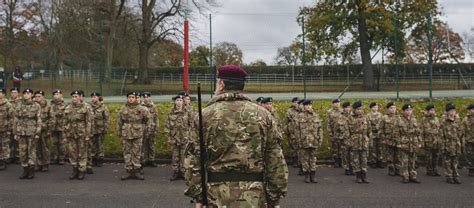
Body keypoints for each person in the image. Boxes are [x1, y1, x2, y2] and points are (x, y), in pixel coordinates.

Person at [184, 65, 288, 208]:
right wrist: (274, 197)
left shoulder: (205, 115)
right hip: (254, 195)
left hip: (217, 195)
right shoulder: (263, 115)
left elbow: (193, 158)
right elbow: (274, 157)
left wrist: (198, 196)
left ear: (221, 84)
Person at [117, 91, 150, 180]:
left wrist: (146, 132)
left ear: (136, 98)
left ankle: (136, 171)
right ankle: (129, 170)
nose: (130, 99)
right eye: (129, 97)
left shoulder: (142, 109)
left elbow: (148, 121)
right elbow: (119, 122)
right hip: (126, 133)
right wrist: (119, 133)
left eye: (132, 97)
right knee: (127, 152)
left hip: (138, 133)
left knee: (136, 152)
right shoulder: (123, 108)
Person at [13, 88, 41, 179]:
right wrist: (15, 132)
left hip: (31, 132)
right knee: (22, 152)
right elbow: (16, 119)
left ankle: (31, 170)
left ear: (32, 95)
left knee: (31, 151)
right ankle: (25, 169)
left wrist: (37, 132)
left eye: (28, 93)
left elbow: (39, 120)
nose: (26, 95)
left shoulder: (36, 105)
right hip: (21, 132)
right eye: (24, 93)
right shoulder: (19, 105)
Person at [64, 90, 92, 180]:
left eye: (76, 96)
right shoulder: (68, 107)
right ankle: (74, 169)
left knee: (82, 153)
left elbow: (89, 122)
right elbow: (65, 121)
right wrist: (65, 133)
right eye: (73, 97)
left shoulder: (86, 107)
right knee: (72, 152)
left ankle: (81, 170)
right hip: (71, 133)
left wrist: (88, 134)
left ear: (80, 97)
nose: (74, 98)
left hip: (82, 133)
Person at [165, 94, 189, 181]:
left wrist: (190, 137)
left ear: (183, 102)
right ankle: (175, 171)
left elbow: (192, 125)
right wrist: (168, 137)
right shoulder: (170, 112)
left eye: (181, 100)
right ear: (175, 102)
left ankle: (183, 172)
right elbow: (167, 126)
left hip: (184, 137)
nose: (179, 102)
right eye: (177, 100)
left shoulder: (187, 112)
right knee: (175, 156)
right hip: (174, 138)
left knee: (183, 156)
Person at [299, 99, 323, 183]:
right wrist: (299, 141)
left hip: (314, 141)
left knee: (313, 158)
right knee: (305, 159)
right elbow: (297, 130)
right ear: (304, 106)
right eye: (307, 105)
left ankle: (313, 175)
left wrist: (320, 139)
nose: (309, 106)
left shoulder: (316, 116)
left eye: (310, 105)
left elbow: (320, 129)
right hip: (304, 141)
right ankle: (306, 175)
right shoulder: (300, 116)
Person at [397, 104, 422, 184]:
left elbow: (419, 132)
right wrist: (398, 143)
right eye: (407, 110)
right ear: (403, 111)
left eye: (410, 110)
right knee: (404, 161)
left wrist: (420, 142)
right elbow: (396, 133)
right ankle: (405, 176)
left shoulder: (414, 120)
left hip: (413, 142)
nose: (409, 112)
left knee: (413, 161)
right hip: (404, 142)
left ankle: (413, 176)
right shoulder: (399, 120)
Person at [348, 101, 371, 183]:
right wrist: (349, 141)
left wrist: (369, 140)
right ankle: (358, 176)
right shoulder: (350, 118)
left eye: (360, 109)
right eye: (357, 109)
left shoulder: (365, 117)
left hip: (364, 141)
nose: (359, 110)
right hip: (355, 141)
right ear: (354, 110)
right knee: (356, 160)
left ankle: (364, 176)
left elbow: (369, 130)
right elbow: (347, 131)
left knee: (364, 160)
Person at [440, 103, 463, 184]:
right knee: (448, 162)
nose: (452, 112)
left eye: (453, 110)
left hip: (456, 144)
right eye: (450, 111)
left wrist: (460, 143)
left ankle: (455, 176)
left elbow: (461, 132)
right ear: (447, 112)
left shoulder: (458, 120)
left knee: (455, 162)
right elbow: (441, 135)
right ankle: (449, 176)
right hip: (448, 144)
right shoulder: (444, 122)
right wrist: (443, 146)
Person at [89, 92, 109, 168]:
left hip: (100, 128)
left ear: (98, 97)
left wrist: (105, 128)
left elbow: (106, 118)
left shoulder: (103, 107)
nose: (93, 98)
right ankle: (93, 158)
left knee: (100, 144)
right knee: (92, 144)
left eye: (95, 97)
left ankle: (100, 159)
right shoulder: (89, 107)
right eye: (92, 97)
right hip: (92, 128)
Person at [381, 102, 401, 176]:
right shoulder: (384, 117)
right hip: (388, 139)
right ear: (388, 109)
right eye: (391, 108)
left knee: (398, 155)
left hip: (398, 140)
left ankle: (398, 169)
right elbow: (381, 129)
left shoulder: (399, 117)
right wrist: (383, 138)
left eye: (394, 108)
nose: (393, 109)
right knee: (390, 155)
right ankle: (391, 168)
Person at [421, 104, 441, 176]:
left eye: (433, 110)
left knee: (436, 156)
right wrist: (422, 142)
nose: (433, 111)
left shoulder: (436, 119)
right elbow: (422, 131)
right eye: (431, 110)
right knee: (429, 157)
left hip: (436, 141)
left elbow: (439, 130)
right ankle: (429, 170)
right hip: (428, 141)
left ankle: (435, 169)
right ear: (427, 111)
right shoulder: (424, 119)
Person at [33, 90, 51, 172]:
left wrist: (49, 130)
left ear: (43, 97)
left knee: (45, 148)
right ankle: (39, 163)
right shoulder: (33, 106)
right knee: (37, 148)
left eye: (39, 96)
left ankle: (45, 164)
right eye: (36, 96)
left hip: (44, 130)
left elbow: (52, 119)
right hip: (35, 130)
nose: (37, 98)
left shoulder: (48, 106)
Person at [49, 89, 67, 165]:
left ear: (61, 95)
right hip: (53, 127)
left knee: (62, 143)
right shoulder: (50, 104)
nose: (56, 96)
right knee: (54, 143)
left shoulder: (65, 104)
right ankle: (54, 157)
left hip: (62, 126)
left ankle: (62, 158)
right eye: (55, 94)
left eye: (58, 94)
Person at [141, 92, 158, 167]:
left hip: (152, 128)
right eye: (144, 97)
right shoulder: (140, 107)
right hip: (143, 128)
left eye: (147, 97)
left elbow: (156, 118)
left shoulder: (153, 106)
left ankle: (151, 160)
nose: (146, 99)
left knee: (151, 145)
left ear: (150, 97)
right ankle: (144, 160)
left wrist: (156, 127)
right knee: (143, 145)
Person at [285, 97, 301, 168]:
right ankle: (294, 161)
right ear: (292, 103)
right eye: (295, 102)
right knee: (294, 147)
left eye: (297, 102)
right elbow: (286, 122)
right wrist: (288, 131)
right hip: (293, 132)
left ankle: (300, 162)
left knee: (300, 147)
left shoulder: (301, 110)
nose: (296, 104)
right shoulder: (289, 111)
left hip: (301, 132)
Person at [367, 102, 384, 168]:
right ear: (371, 108)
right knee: (373, 148)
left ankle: (380, 160)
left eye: (376, 107)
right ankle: (373, 161)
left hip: (379, 133)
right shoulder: (368, 115)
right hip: (372, 133)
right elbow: (368, 125)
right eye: (374, 107)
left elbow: (382, 124)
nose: (375, 108)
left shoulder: (380, 115)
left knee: (380, 147)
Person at [0, 88, 13, 170]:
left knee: (4, 145)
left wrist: (9, 129)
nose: (0, 94)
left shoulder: (8, 104)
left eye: (1, 93)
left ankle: (3, 161)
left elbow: (11, 118)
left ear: (4, 94)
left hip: (4, 129)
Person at [327, 98, 343, 168]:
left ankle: (342, 161)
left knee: (342, 147)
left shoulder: (342, 111)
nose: (337, 104)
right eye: (335, 103)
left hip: (342, 132)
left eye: (338, 103)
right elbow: (328, 123)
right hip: (334, 132)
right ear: (333, 104)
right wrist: (330, 133)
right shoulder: (330, 112)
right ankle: (336, 161)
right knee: (335, 148)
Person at [9, 87, 21, 164]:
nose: (13, 94)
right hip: (9, 124)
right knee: (9, 142)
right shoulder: (8, 102)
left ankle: (18, 157)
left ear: (18, 93)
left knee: (18, 142)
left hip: (18, 125)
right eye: (12, 92)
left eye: (15, 92)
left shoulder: (21, 101)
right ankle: (10, 156)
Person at [340, 101, 353, 175]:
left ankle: (352, 167)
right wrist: (339, 137)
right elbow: (337, 129)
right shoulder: (341, 117)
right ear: (343, 109)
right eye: (347, 107)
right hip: (344, 139)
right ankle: (346, 168)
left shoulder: (352, 116)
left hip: (352, 138)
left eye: (349, 107)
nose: (348, 109)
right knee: (345, 154)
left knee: (352, 154)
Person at [463, 104, 474, 176]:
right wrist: (464, 139)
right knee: (469, 155)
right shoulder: (465, 119)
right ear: (468, 111)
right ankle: (471, 169)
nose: (472, 111)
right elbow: (462, 130)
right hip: (469, 140)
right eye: (471, 109)